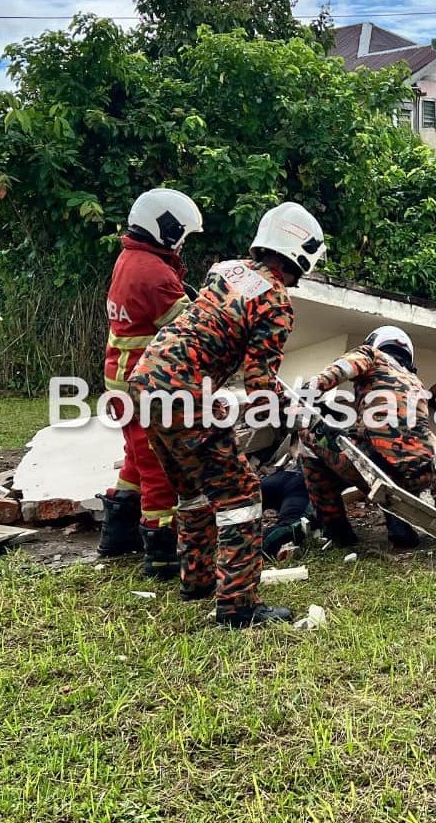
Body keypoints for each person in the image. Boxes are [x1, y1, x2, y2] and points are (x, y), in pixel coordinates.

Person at [127, 201, 325, 627]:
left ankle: (195, 579)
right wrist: (292, 413)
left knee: (192, 491)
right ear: (302, 252)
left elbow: (209, 333)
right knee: (240, 496)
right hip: (184, 393)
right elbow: (259, 381)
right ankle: (237, 607)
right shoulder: (276, 301)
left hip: (145, 383)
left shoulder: (227, 269)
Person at [99, 189, 201, 558]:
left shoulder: (130, 258)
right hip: (146, 385)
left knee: (135, 457)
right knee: (159, 463)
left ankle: (118, 534)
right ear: (166, 228)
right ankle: (161, 550)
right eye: (183, 234)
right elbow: (187, 329)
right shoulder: (154, 272)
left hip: (121, 380)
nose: (183, 242)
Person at [300, 326, 432, 549]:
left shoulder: (372, 355)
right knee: (376, 450)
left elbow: (345, 367)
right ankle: (398, 522)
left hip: (378, 469)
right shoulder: (415, 382)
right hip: (420, 475)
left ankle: (338, 533)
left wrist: (310, 389)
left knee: (308, 438)